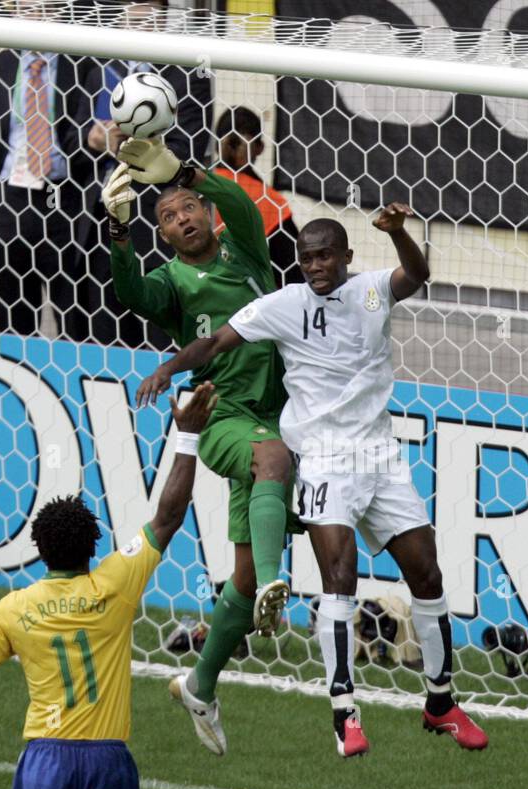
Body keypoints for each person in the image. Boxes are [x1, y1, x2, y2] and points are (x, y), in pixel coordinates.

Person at [136, 206, 489, 759]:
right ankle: (344, 712)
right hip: (323, 459)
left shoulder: (371, 292)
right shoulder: (285, 304)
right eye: (305, 259)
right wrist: (169, 368)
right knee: (340, 578)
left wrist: (399, 233)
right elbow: (216, 343)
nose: (315, 266)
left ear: (346, 256)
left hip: (380, 454)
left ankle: (441, 703)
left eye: (324, 256)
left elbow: (416, 276)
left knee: (427, 570)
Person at [0, 382, 218, 789]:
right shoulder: (116, 582)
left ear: (39, 551)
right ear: (91, 548)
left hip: (44, 764)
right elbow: (168, 517)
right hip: (108, 763)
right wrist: (186, 436)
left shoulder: (14, 608)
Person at [103, 136, 294, 757]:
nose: (182, 218)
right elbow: (132, 296)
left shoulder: (248, 254)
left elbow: (241, 206)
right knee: (273, 462)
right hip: (221, 418)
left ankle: (200, 683)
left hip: (279, 415)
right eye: (167, 217)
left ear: (206, 216)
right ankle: (276, 592)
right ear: (161, 234)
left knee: (236, 576)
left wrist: (187, 172)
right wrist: (118, 233)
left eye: (187, 207)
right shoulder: (172, 282)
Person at [76, 0, 213, 348]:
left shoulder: (186, 75)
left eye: (147, 14)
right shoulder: (99, 71)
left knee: (156, 334)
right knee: (103, 331)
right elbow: (72, 143)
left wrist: (138, 143)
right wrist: (92, 139)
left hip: (154, 223)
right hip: (98, 223)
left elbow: (189, 150)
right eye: (130, 12)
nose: (137, 20)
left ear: (163, 17)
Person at [0, 47, 97, 337]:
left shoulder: (83, 64)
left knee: (74, 315)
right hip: (8, 199)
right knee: (15, 318)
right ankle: (20, 377)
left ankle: (71, 378)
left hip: (64, 200)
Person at [212, 107, 303, 288]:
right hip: (252, 297)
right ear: (260, 147)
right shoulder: (269, 200)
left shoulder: (196, 188)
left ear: (216, 144)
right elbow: (293, 272)